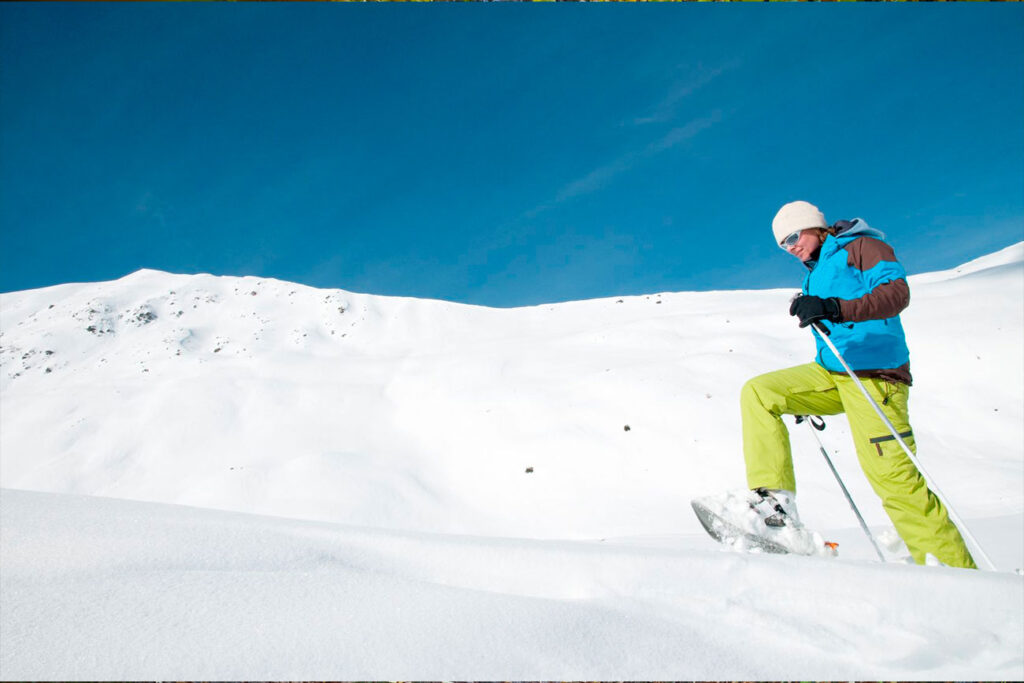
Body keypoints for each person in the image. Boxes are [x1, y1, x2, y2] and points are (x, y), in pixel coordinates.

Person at [739, 200, 976, 568]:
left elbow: (897, 294)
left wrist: (833, 307)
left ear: (812, 225)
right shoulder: (815, 270)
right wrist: (814, 305)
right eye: (783, 245)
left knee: (894, 481)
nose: (791, 248)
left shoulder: (862, 246)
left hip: (875, 377)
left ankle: (958, 577)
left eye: (793, 237)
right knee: (760, 392)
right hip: (834, 374)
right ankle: (775, 507)